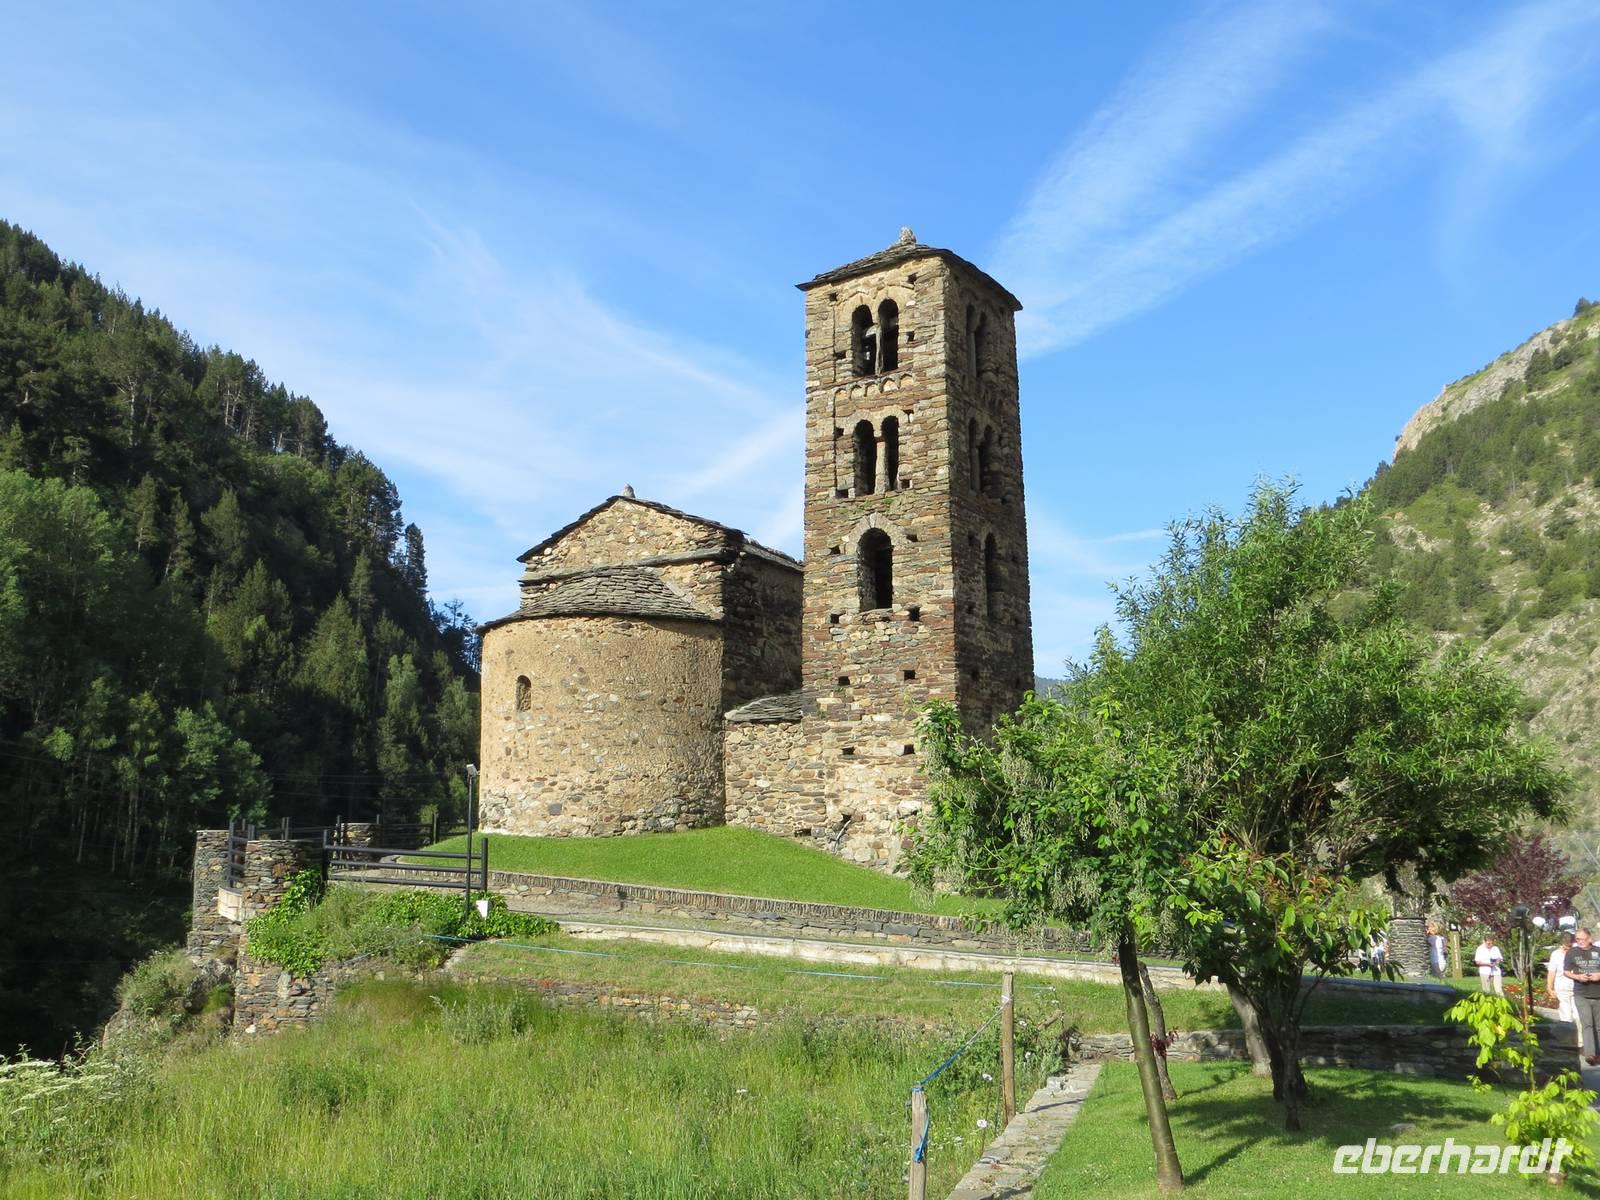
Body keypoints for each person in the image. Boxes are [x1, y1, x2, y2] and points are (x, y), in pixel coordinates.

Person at [1564, 927, 1600, 1066]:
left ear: (1589, 938)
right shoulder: (1572, 952)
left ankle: (1598, 1053)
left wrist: (1598, 976)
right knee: (1587, 1024)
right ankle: (1590, 1054)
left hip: (1598, 993)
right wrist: (1578, 976)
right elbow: (1566, 971)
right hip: (1581, 993)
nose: (1580, 942)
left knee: (1599, 1026)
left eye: (1583, 939)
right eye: (1578, 939)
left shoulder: (1597, 951)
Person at [1548, 932, 1579, 1047]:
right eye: (1566, 946)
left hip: (1577, 987)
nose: (1568, 948)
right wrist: (1549, 988)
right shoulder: (1556, 954)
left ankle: (1579, 1040)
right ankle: (1567, 1042)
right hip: (1562, 987)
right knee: (1565, 1015)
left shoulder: (1577, 952)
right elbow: (1551, 972)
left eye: (1570, 946)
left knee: (1578, 1014)